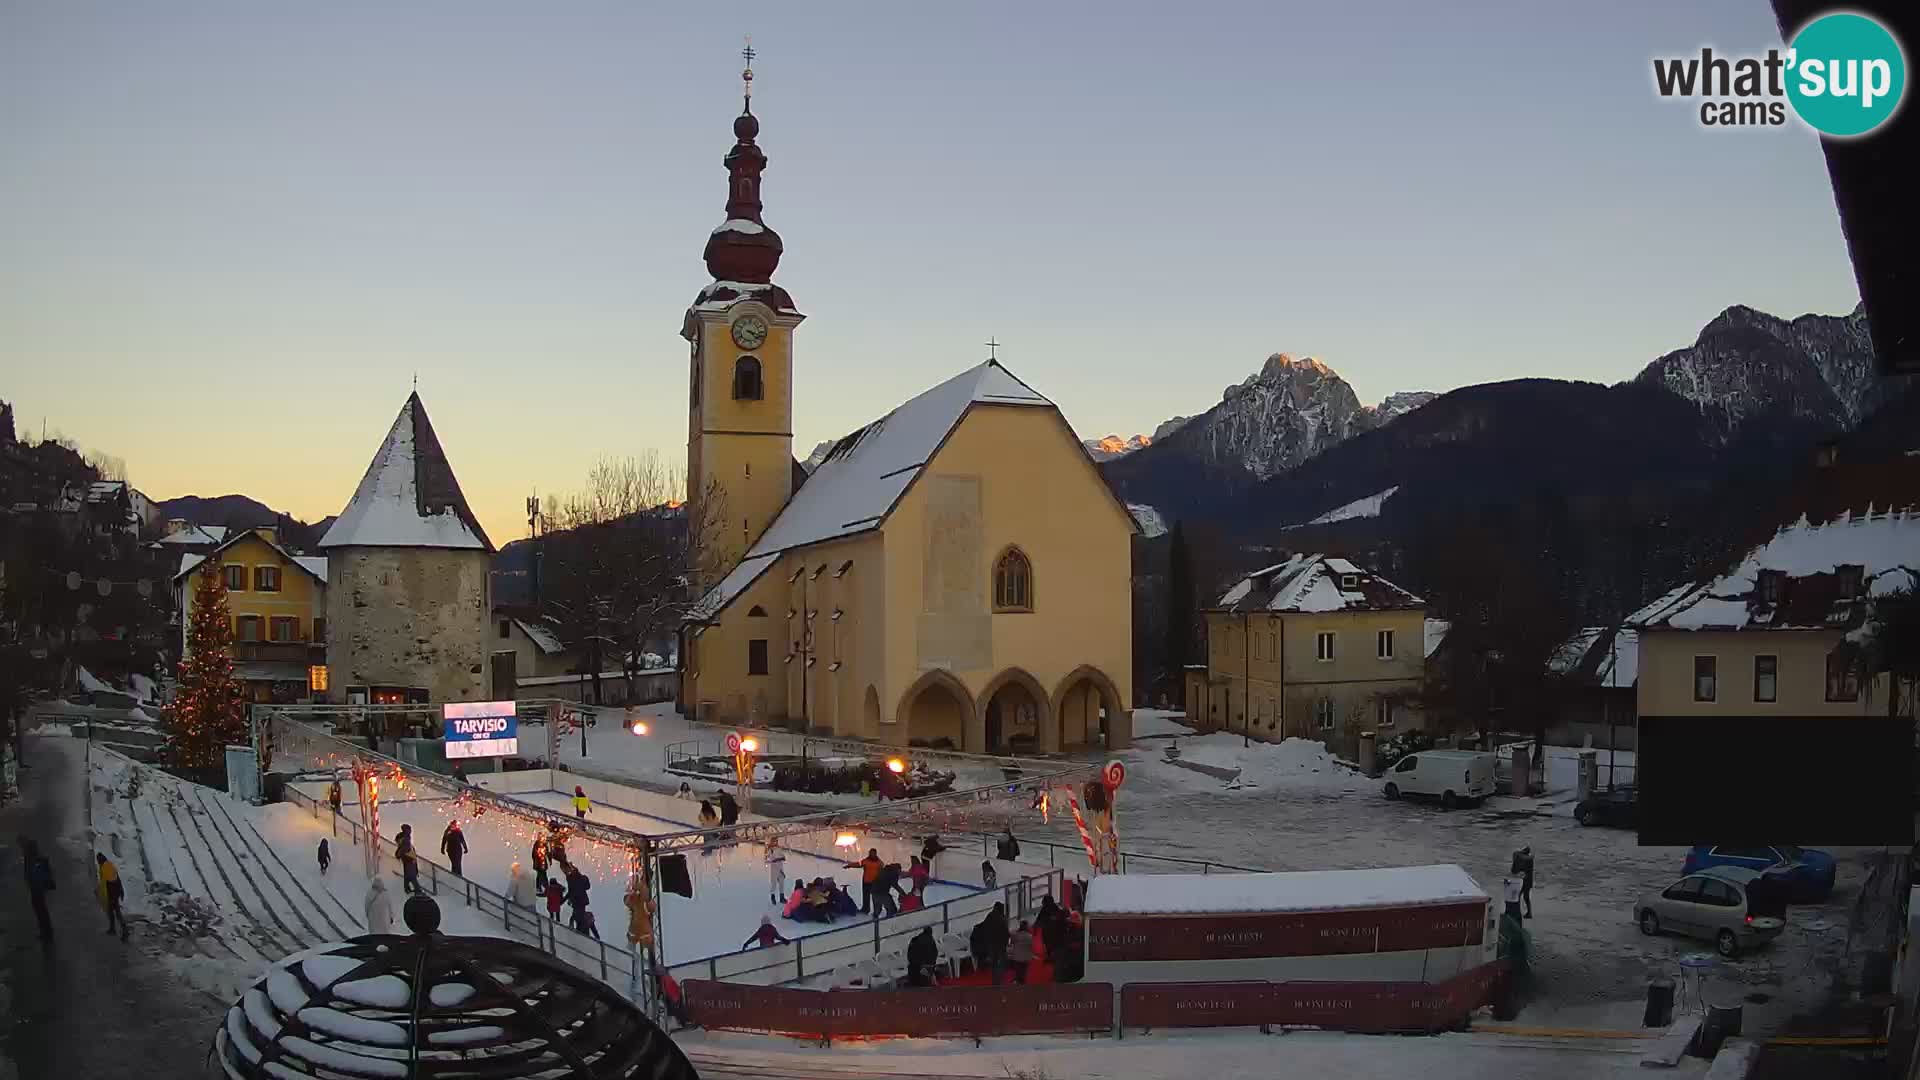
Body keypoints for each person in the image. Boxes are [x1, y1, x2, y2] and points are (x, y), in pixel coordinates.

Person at [96, 853, 128, 941]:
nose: (98, 862)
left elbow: (105, 884)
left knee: (115, 913)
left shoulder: (104, 868)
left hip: (112, 894)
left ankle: (124, 931)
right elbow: (118, 878)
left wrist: (101, 894)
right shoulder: (110, 865)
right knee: (112, 912)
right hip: (116, 892)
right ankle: (113, 929)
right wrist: (121, 891)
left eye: (98, 861)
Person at [978, 902, 1011, 984]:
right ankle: (999, 980)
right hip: (1000, 944)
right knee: (1001, 961)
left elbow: (984, 928)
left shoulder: (990, 916)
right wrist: (1006, 942)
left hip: (991, 944)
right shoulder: (1002, 918)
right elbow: (1005, 932)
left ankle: (995, 980)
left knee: (994, 962)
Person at [846, 848, 883, 914]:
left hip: (875, 882)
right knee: (866, 896)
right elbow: (858, 864)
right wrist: (850, 865)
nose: (872, 854)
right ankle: (865, 909)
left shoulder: (879, 863)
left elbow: (882, 872)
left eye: (873, 853)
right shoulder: (866, 861)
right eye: (871, 853)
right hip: (866, 881)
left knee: (875, 897)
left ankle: (876, 910)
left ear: (875, 854)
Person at [1511, 846, 1535, 919]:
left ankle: (1526, 912)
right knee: (1523, 896)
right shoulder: (1528, 859)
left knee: (1524, 896)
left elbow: (1522, 866)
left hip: (1527, 880)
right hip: (1527, 880)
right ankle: (1527, 912)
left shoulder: (1528, 859)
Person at [394, 824, 419, 894]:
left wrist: (398, 854)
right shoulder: (406, 838)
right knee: (412, 875)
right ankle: (417, 890)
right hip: (409, 858)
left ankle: (407, 888)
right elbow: (405, 848)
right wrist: (399, 854)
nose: (411, 831)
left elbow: (401, 847)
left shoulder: (403, 837)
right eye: (410, 830)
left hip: (407, 859)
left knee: (407, 874)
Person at [1008, 919, 1035, 983]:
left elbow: (1011, 942)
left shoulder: (1015, 935)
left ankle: (1018, 980)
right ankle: (1022, 982)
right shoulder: (1030, 936)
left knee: (1018, 971)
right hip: (1026, 957)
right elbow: (1031, 947)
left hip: (1017, 956)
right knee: (1024, 971)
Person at [765, 838, 787, 905]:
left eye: (776, 841)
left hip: (780, 868)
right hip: (774, 869)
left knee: (781, 883)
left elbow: (784, 857)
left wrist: (779, 859)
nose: (775, 843)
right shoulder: (770, 850)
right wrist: (772, 861)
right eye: (774, 841)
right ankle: (772, 897)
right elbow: (766, 860)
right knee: (774, 884)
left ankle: (782, 897)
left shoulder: (779, 849)